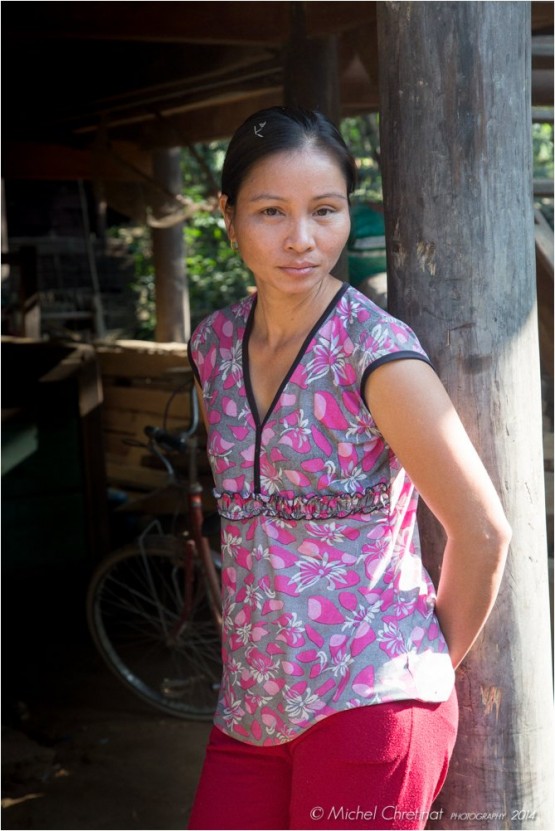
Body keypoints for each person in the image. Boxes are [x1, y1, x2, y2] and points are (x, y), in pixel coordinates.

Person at [186, 106, 511, 831]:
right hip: (249, 707)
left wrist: (412, 673)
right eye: (271, 211)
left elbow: (483, 530)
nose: (302, 238)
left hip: (370, 704)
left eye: (324, 210)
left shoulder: (373, 353)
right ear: (228, 214)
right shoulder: (211, 345)